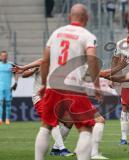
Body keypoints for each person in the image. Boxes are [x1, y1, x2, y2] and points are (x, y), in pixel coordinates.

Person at [34, 4, 101, 160]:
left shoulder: (56, 33)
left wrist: (43, 84)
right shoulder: (87, 35)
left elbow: (45, 61)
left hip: (53, 86)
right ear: (87, 18)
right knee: (85, 128)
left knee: (46, 126)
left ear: (70, 17)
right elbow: (92, 59)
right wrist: (96, 85)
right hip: (74, 88)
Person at [14, 58, 74, 156]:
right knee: (52, 120)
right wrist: (32, 70)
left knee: (69, 120)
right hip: (39, 98)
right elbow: (24, 75)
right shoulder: (43, 62)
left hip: (53, 98)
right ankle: (62, 149)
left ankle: (55, 149)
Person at [0, 51, 18, 125]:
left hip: (8, 87)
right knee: (0, 102)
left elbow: (16, 73)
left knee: (8, 103)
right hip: (0, 88)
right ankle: (0, 119)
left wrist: (16, 83)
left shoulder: (10, 65)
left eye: (5, 56)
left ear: (7, 56)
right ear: (0, 57)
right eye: (3, 56)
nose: (4, 57)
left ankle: (7, 119)